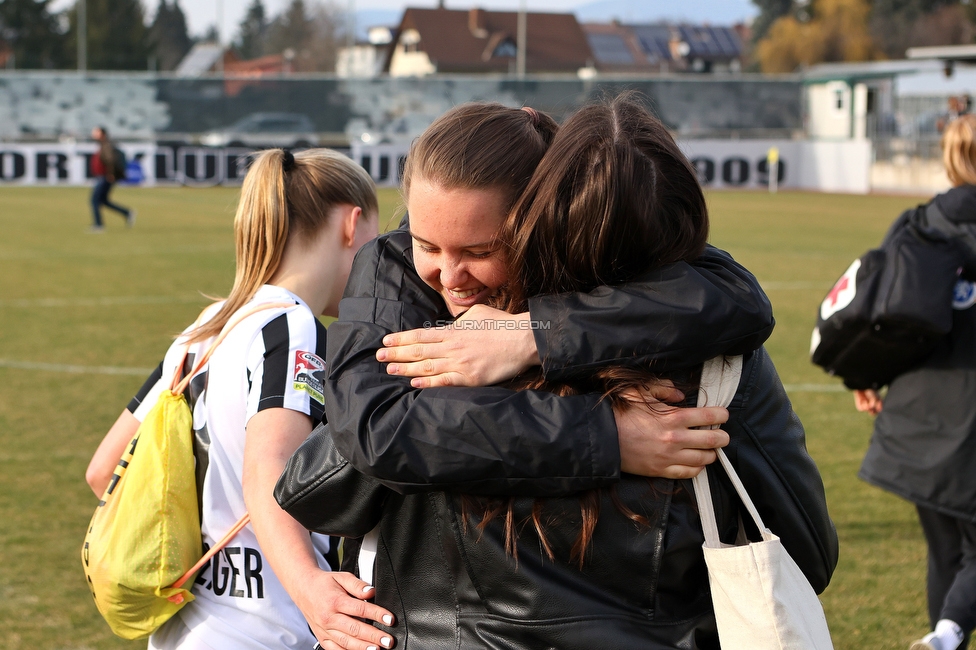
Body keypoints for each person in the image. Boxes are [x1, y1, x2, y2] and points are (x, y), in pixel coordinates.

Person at [278, 98, 836, 648]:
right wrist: (609, 436)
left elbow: (318, 487)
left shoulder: (442, 366)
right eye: (424, 244)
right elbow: (805, 552)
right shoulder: (415, 316)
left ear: (533, 222)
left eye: (480, 249)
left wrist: (533, 334)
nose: (448, 277)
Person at [85, 148, 396, 650]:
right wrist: (310, 586)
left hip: (184, 629)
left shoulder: (200, 333)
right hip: (262, 630)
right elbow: (267, 466)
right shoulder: (292, 326)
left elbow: (104, 471)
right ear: (353, 223)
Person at [855, 114, 976, 650]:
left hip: (919, 417)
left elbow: (878, 314)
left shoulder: (918, 224)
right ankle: (948, 634)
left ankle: (942, 634)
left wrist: (864, 377)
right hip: (969, 420)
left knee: (946, 553)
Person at [89, 126, 134, 233]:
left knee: (94, 200)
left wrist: (111, 174)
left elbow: (110, 160)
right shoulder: (103, 144)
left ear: (102, 134)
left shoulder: (106, 145)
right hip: (103, 176)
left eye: (96, 132)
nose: (93, 133)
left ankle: (98, 225)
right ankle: (127, 213)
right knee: (103, 200)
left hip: (105, 177)